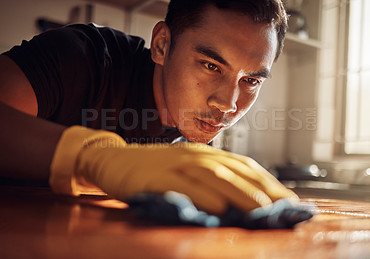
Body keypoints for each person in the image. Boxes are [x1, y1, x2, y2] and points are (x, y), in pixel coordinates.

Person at [0, 0, 298, 216]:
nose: (228, 104)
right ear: (162, 45)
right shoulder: (85, 56)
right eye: (211, 66)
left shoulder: (194, 137)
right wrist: (94, 159)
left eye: (251, 80)